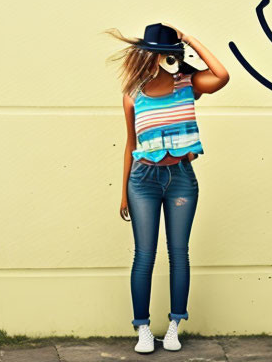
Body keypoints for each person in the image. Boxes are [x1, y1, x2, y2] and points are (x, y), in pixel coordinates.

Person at [103, 22, 230, 353]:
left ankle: (174, 326)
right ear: (147, 55)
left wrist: (189, 38)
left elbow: (222, 75)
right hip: (142, 180)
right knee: (144, 255)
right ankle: (142, 328)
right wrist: (122, 194)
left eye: (171, 54)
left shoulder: (188, 84)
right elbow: (130, 144)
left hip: (181, 178)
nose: (167, 59)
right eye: (160, 53)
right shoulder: (132, 95)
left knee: (179, 253)